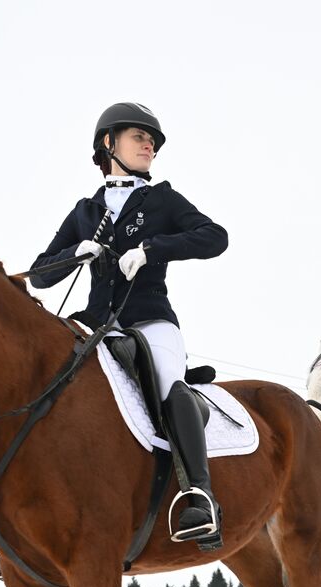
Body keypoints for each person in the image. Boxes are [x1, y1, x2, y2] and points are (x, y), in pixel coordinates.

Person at [27, 103, 228, 545]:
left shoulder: (163, 200)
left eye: (151, 140)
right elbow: (41, 275)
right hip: (94, 325)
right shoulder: (85, 211)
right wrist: (73, 254)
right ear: (108, 144)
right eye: (139, 136)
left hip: (151, 320)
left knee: (167, 382)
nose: (148, 144)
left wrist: (152, 249)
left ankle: (199, 495)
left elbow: (215, 237)